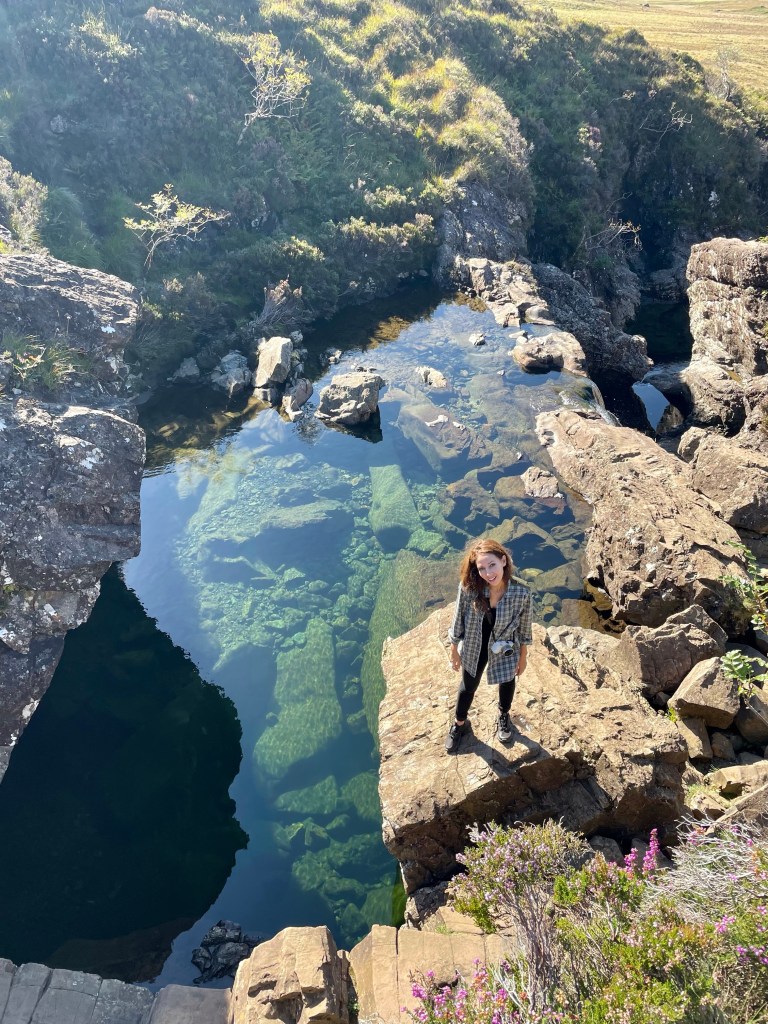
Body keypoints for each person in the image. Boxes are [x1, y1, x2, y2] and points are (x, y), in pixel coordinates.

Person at [445, 538, 532, 753]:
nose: (488, 573)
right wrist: (454, 648)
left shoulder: (521, 593)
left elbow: (524, 628)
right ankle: (459, 724)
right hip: (475, 645)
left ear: (503, 561)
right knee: (468, 686)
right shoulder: (469, 589)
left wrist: (523, 657)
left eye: (492, 565)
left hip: (504, 647)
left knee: (507, 680)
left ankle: (504, 715)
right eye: (481, 568)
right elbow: (459, 619)